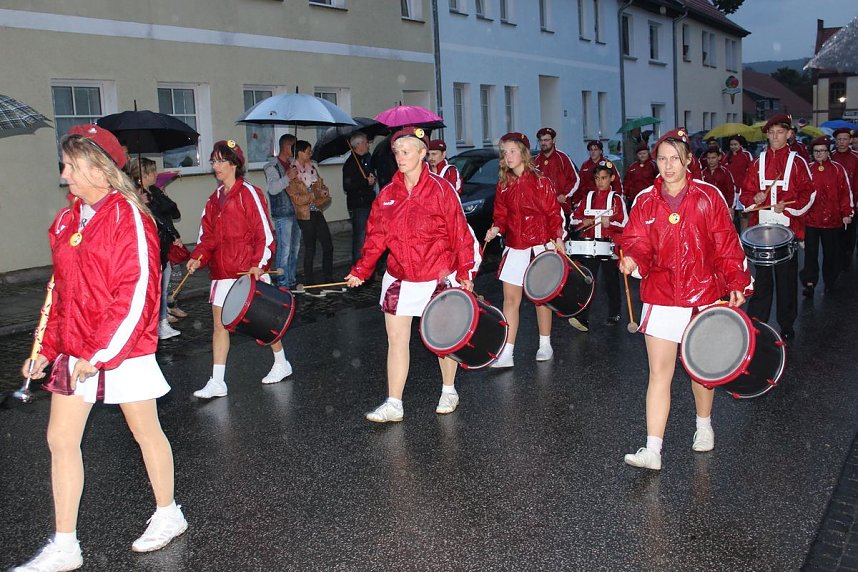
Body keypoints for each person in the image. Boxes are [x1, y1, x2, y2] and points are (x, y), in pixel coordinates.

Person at [15, 125, 187, 571]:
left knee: (145, 431)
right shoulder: (67, 219)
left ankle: (169, 513)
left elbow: (136, 293)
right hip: (76, 351)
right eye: (66, 164)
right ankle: (65, 544)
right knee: (60, 439)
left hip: (120, 349)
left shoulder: (129, 216)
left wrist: (99, 355)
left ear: (100, 168)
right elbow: (61, 290)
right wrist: (46, 348)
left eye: (72, 165)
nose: (65, 173)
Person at [619, 128, 752, 471]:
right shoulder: (646, 200)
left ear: (688, 160)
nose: (667, 165)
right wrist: (634, 257)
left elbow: (726, 243)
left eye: (674, 158)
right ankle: (653, 449)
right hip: (662, 295)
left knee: (700, 371)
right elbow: (637, 240)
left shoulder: (708, 196)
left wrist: (737, 280)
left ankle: (704, 424)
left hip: (703, 294)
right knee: (659, 373)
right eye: (661, 159)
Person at [345, 127, 479, 423]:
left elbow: (461, 234)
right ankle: (394, 402)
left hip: (436, 274)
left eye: (407, 151)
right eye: (397, 152)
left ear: (422, 154)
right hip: (400, 278)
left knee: (442, 339)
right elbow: (376, 237)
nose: (401, 157)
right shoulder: (388, 194)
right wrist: (361, 270)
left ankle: (448, 389)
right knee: (396, 341)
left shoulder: (441, 190)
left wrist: (466, 271)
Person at [188, 140, 292, 398]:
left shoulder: (250, 193)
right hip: (222, 274)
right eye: (213, 161)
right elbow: (207, 237)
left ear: (235, 164)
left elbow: (264, 233)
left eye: (222, 161)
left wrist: (259, 264)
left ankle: (281, 362)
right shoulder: (214, 200)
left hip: (249, 272)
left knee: (262, 323)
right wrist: (198, 257)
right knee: (219, 326)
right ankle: (218, 381)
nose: (216, 166)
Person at [484, 132, 565, 367]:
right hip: (515, 246)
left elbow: (553, 213)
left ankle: (545, 344)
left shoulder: (541, 181)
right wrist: (496, 228)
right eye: (504, 152)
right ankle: (507, 352)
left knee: (541, 298)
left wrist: (558, 237)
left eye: (512, 151)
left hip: (540, 245)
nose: (508, 156)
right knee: (510, 300)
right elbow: (501, 214)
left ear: (523, 152)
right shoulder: (504, 185)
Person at [739, 114, 815, 341]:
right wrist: (756, 197)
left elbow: (808, 193)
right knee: (762, 280)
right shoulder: (758, 161)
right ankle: (757, 323)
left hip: (788, 230)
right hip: (761, 230)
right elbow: (745, 195)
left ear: (789, 134)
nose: (775, 136)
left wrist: (789, 209)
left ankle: (787, 323)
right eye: (771, 132)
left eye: (780, 132)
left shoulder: (798, 162)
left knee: (786, 279)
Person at [568, 160, 628, 331]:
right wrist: (584, 222)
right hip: (590, 246)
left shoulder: (616, 199)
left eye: (603, 178)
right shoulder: (588, 198)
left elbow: (625, 223)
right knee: (588, 280)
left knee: (611, 281)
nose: (600, 182)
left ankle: (614, 312)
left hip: (609, 246)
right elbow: (574, 220)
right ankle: (582, 317)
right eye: (597, 178)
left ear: (611, 178)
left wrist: (612, 224)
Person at [128, 157, 183, 340]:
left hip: (162, 247)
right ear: (142, 175)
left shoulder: (154, 192)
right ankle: (155, 324)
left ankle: (162, 322)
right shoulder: (131, 194)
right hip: (150, 249)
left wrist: (160, 196)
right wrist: (139, 203)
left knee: (163, 287)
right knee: (154, 289)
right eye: (152, 171)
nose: (155, 175)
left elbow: (173, 212)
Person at [800, 136, 853, 295]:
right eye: (816, 151)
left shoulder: (837, 169)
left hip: (832, 220)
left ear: (828, 152)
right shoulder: (807, 169)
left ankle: (830, 281)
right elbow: (800, 193)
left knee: (831, 254)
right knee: (810, 254)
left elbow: (845, 192)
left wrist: (847, 212)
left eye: (822, 151)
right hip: (811, 220)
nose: (819, 154)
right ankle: (809, 283)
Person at [291, 140, 334, 285]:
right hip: (305, 214)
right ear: (300, 152)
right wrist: (314, 195)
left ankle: (328, 276)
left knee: (328, 245)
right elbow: (296, 198)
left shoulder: (312, 168)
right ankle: (309, 281)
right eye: (308, 151)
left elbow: (321, 184)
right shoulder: (292, 172)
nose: (310, 154)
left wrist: (324, 191)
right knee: (310, 247)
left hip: (317, 211)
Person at [263, 134, 301, 289]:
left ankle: (291, 279)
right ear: (286, 146)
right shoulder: (271, 166)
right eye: (294, 146)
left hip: (297, 211)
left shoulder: (294, 164)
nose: (296, 150)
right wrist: (287, 178)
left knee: (295, 248)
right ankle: (282, 283)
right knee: (284, 250)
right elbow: (272, 189)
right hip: (282, 213)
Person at [342, 131, 378, 264]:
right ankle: (358, 268)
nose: (368, 145)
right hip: (358, 205)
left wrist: (372, 178)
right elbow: (347, 186)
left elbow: (370, 175)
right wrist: (365, 182)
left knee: (371, 237)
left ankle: (370, 267)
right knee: (360, 238)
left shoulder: (365, 159)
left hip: (368, 202)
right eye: (365, 142)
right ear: (359, 145)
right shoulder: (350, 163)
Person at [533, 127, 580, 215]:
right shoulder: (536, 161)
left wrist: (564, 195)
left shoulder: (563, 158)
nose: (543, 143)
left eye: (546, 140)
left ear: (553, 140)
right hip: (541, 210)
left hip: (561, 208)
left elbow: (575, 179)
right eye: (541, 140)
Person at [831, 127, 858, 268]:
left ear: (850, 140)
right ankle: (837, 258)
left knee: (850, 232)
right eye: (839, 139)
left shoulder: (855, 158)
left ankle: (847, 256)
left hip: (851, 202)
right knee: (835, 233)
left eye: (845, 139)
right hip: (833, 203)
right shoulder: (830, 157)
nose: (842, 142)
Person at [623, 141, 658, 208]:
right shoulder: (633, 166)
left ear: (648, 153)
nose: (642, 155)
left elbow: (658, 180)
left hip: (648, 196)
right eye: (640, 154)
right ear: (637, 155)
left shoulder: (653, 165)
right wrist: (625, 193)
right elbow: (628, 181)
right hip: (633, 198)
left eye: (644, 153)